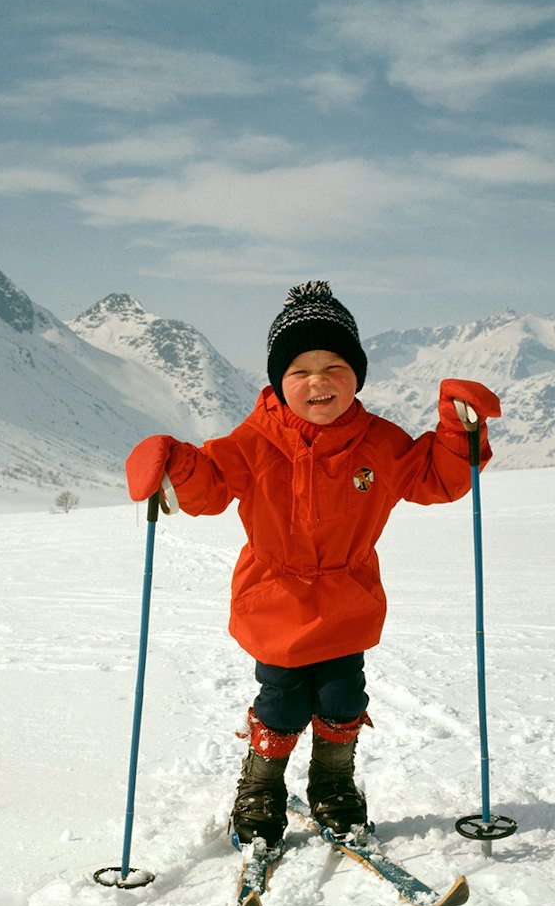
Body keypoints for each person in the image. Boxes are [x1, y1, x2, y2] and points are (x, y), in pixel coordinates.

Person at [125, 281, 500, 849]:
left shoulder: (380, 443)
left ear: (357, 375)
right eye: (300, 371)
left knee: (343, 696)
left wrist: (457, 432)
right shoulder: (254, 440)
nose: (318, 382)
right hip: (275, 596)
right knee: (282, 700)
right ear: (279, 381)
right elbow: (211, 482)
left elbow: (436, 478)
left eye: (334, 367)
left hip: (348, 594)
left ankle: (333, 782)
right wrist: (172, 462)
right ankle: (261, 785)